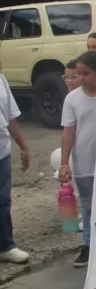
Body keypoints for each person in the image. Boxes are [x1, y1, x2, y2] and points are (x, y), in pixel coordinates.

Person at [59, 51, 96, 267]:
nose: (80, 78)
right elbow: (68, 133)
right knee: (87, 206)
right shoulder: (72, 99)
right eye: (78, 74)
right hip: (84, 164)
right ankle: (88, 245)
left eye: (86, 73)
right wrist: (63, 163)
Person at [0, 73, 31, 264]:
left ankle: (6, 246)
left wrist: (23, 146)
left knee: (3, 200)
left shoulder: (2, 79)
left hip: (2, 150)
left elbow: (10, 116)